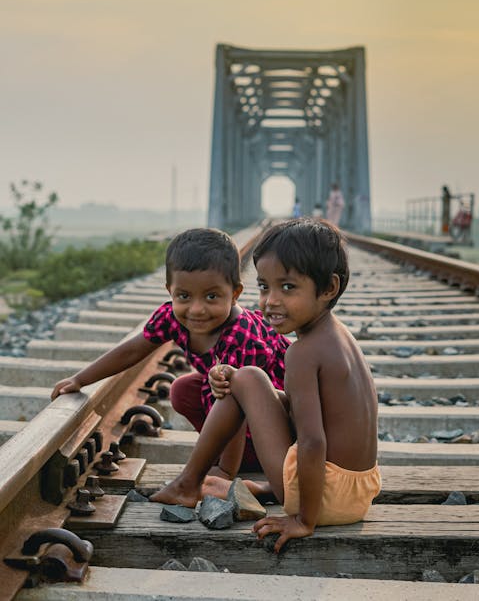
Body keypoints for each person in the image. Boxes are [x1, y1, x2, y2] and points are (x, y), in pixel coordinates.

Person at [150, 219, 380, 552]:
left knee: (249, 377)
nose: (270, 301)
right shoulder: (337, 336)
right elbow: (319, 420)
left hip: (327, 500)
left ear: (329, 288)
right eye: (263, 286)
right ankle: (209, 481)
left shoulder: (303, 353)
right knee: (245, 380)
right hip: (359, 492)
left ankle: (189, 483)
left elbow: (313, 441)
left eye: (287, 287)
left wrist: (303, 520)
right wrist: (254, 393)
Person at [51, 228, 290, 476]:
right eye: (184, 296)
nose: (196, 309)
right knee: (183, 390)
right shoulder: (171, 317)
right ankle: (236, 456)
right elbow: (131, 351)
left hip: (280, 425)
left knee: (222, 391)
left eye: (211, 296)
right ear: (170, 291)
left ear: (235, 294)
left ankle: (243, 460)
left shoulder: (242, 337)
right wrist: (80, 379)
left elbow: (236, 407)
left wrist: (225, 473)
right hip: (244, 412)